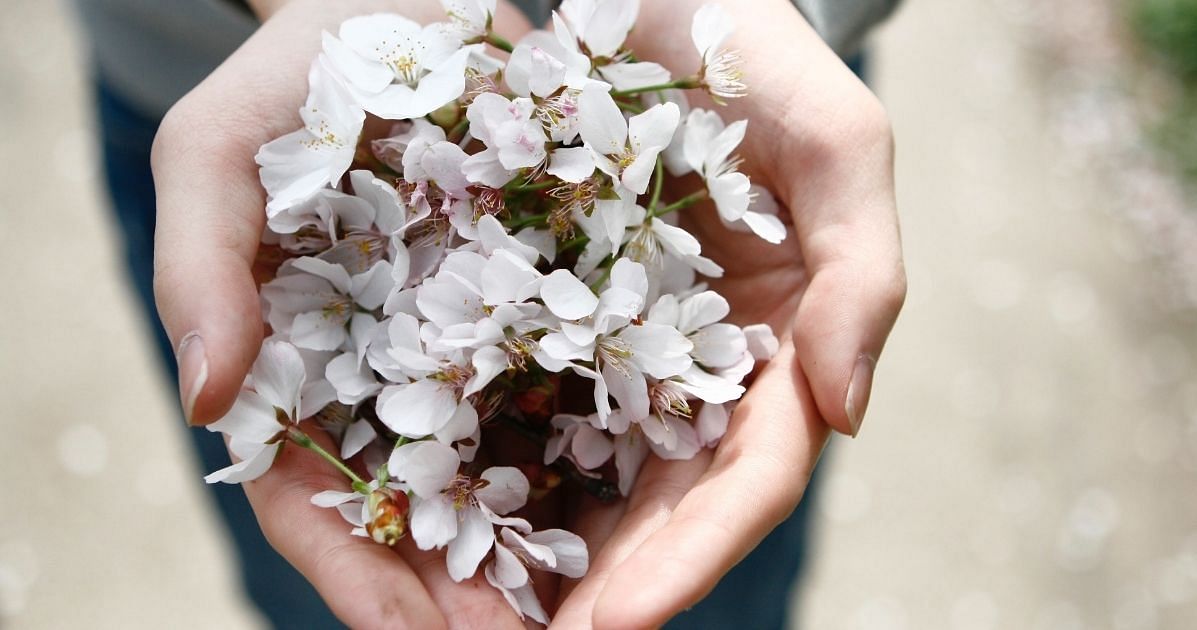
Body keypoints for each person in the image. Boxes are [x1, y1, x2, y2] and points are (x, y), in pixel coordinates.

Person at [72, 0, 905, 627]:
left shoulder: (626, 200)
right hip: (219, 70)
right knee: (328, 589)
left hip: (735, 75)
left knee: (706, 593)